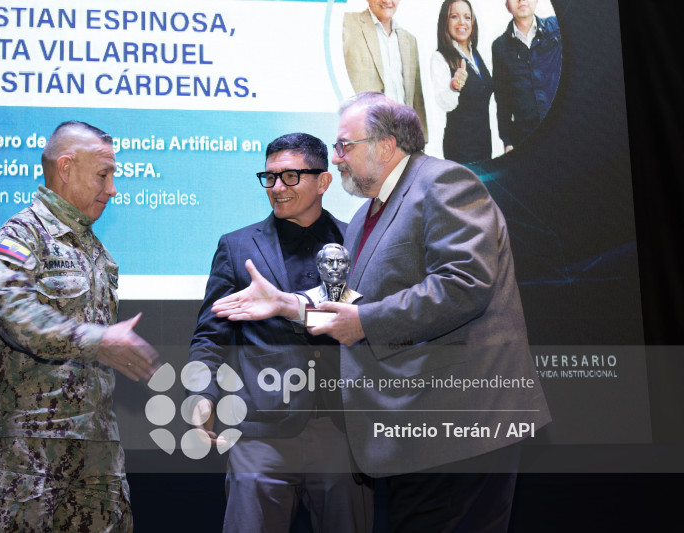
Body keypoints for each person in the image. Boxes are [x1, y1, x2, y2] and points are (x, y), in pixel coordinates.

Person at [212, 92, 551, 532]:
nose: (336, 159)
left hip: (464, 426)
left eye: (344, 146)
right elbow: (347, 300)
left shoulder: (444, 183)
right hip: (414, 433)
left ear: (386, 145)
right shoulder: (363, 218)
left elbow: (463, 283)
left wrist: (364, 323)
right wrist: (288, 304)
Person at [0, 120, 159, 532]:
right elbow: (17, 317)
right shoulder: (20, 237)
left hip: (96, 444)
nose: (112, 189)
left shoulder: (97, 251)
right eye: (103, 175)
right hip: (31, 446)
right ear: (66, 168)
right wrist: (97, 340)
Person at [188, 133, 373, 533]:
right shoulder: (237, 247)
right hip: (260, 434)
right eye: (269, 178)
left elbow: (376, 326)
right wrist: (201, 393)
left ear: (323, 182)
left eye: (290, 177)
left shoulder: (357, 243)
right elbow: (210, 335)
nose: (276, 188)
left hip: (341, 431)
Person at [343, 0, 429, 141]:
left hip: (403, 137)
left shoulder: (409, 40)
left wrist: (421, 141)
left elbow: (417, 100)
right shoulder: (346, 24)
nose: (387, 1)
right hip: (366, 137)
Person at [492, 0, 562, 152]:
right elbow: (502, 98)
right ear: (507, 5)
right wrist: (507, 141)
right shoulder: (500, 47)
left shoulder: (557, 29)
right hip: (526, 138)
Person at [430, 0, 494, 163]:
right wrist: (454, 86)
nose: (462, 22)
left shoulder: (476, 54)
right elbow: (444, 103)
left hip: (484, 144)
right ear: (445, 21)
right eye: (454, 17)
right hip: (460, 148)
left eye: (467, 17)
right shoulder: (440, 57)